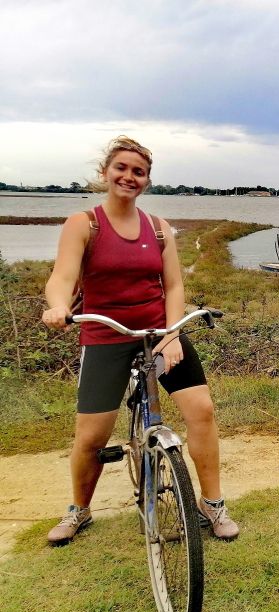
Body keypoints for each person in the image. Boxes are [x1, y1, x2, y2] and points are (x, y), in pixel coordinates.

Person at [41, 136, 239, 543]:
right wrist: (57, 306)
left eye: (138, 172)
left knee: (201, 409)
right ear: (105, 173)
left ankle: (212, 504)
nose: (129, 177)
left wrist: (172, 334)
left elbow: (174, 286)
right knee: (92, 437)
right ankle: (79, 510)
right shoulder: (85, 223)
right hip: (104, 336)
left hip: (157, 334)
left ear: (147, 180)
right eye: (121, 168)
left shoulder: (159, 229)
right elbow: (61, 277)